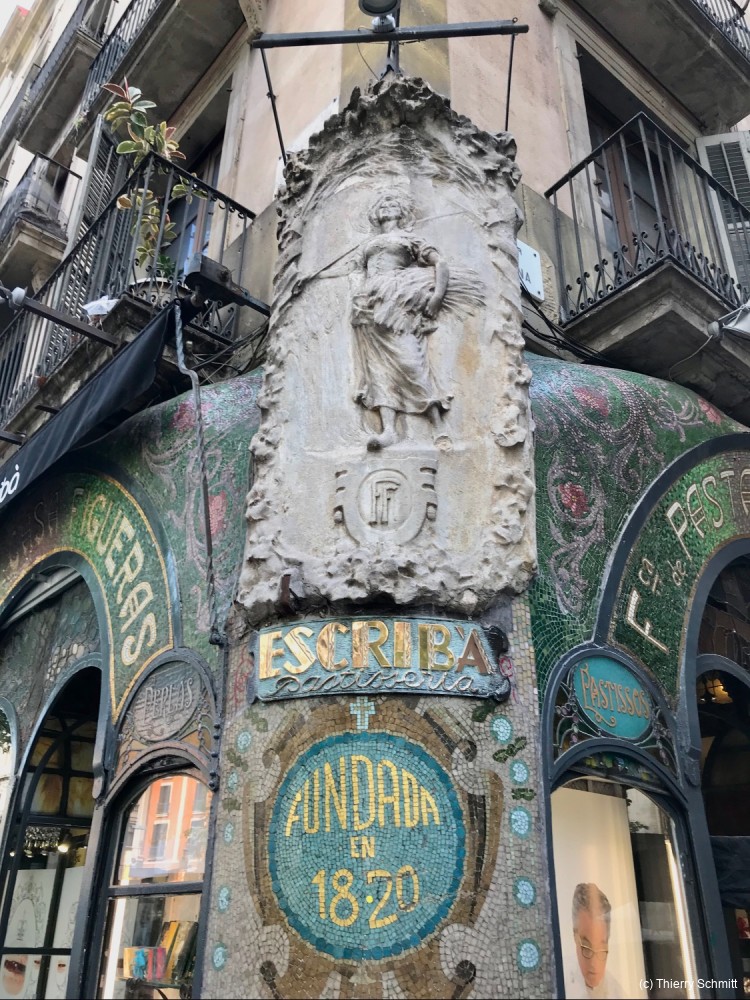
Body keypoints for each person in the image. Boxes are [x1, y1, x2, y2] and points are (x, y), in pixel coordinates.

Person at [566, 883, 624, 999]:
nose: (593, 963)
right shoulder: (558, 978)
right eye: (586, 948)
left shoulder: (618, 994)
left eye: (601, 948)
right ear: (575, 936)